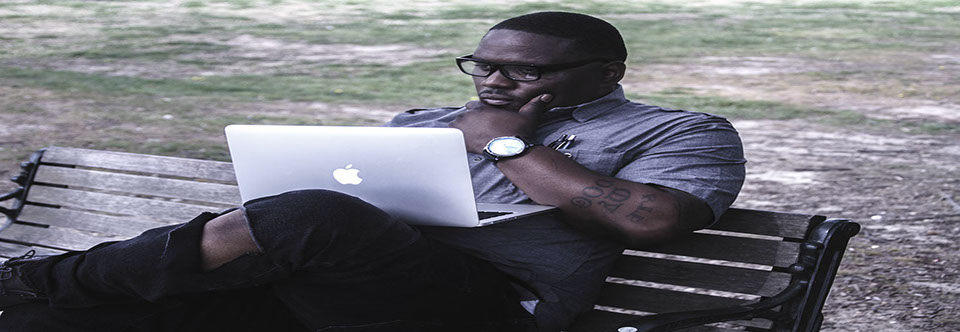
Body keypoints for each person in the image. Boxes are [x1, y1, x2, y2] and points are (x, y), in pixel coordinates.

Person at [0, 11, 746, 332]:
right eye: (483, 64)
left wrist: (506, 144)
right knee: (48, 324)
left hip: (480, 305)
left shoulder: (680, 130)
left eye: (524, 73)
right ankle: (38, 294)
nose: (494, 82)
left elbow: (651, 217)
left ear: (605, 71)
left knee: (315, 217)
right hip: (325, 292)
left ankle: (36, 272)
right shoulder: (425, 122)